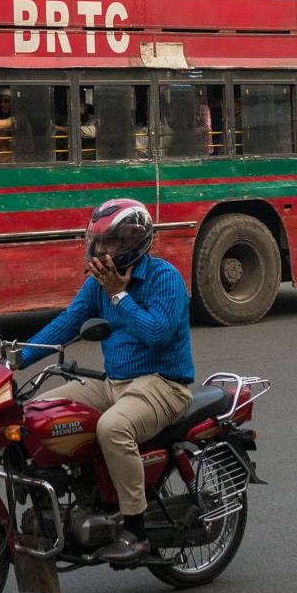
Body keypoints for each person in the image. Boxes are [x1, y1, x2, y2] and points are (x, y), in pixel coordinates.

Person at [22, 199, 195, 566]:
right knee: (36, 413)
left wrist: (120, 294)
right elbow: (68, 323)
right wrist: (16, 359)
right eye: (98, 243)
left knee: (112, 427)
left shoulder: (165, 278)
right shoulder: (97, 283)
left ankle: (136, 531)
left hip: (163, 385)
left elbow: (157, 334)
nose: (101, 252)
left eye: (111, 244)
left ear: (135, 242)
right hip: (115, 383)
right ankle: (51, 503)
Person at [0, 89, 16, 163]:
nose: (2, 104)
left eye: (6, 101)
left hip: (16, 164)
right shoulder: (0, 118)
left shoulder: (21, 118)